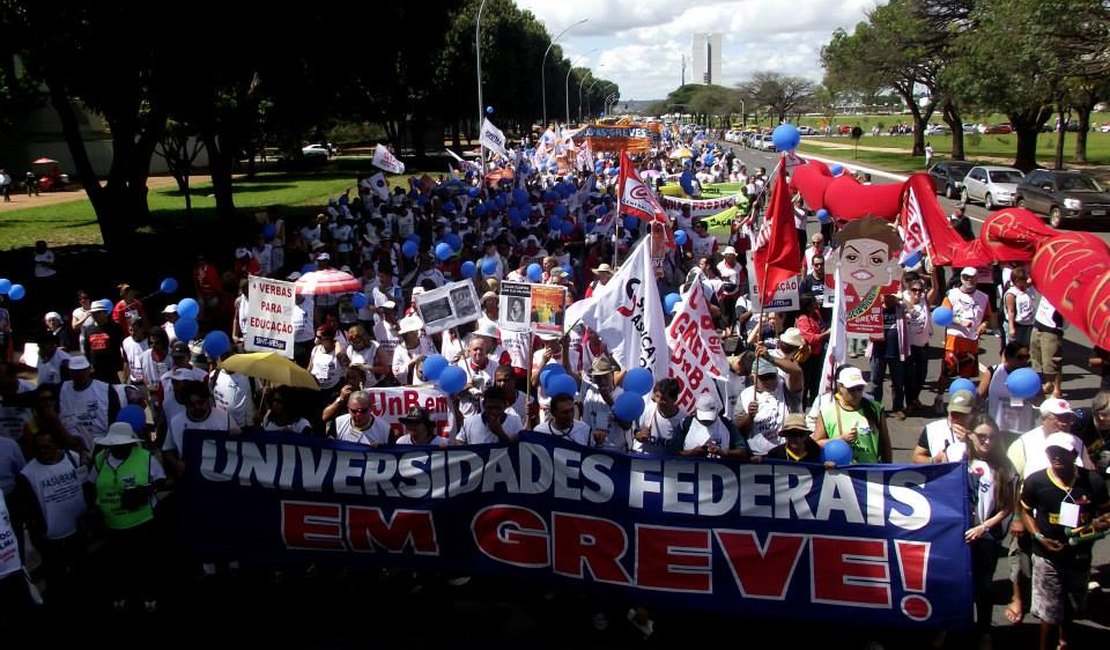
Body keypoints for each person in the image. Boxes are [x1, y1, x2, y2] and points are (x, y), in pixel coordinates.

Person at [1019, 433, 1110, 650]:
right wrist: (1039, 537)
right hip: (1046, 554)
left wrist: (1098, 525)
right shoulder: (1036, 481)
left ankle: (1064, 640)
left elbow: (1107, 513)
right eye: (1051, 452)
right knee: (1049, 610)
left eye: (1062, 452)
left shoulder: (1093, 481)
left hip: (1079, 554)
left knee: (1072, 604)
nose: (1056, 456)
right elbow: (1024, 511)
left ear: (1074, 454)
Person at [84, 422, 166, 612]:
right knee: (118, 562)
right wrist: (92, 508)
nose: (118, 448)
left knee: (144, 561)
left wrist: (144, 490)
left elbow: (161, 479)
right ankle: (120, 594)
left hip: (142, 521)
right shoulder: (100, 459)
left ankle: (148, 594)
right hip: (112, 522)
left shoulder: (145, 457)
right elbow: (90, 484)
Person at [813, 366, 892, 463]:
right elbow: (816, 443)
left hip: (870, 471)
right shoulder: (827, 412)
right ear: (840, 387)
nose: (856, 394)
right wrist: (840, 439)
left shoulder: (875, 409)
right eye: (851, 390)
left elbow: (886, 444)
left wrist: (887, 470)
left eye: (859, 389)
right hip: (839, 472)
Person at [669, 393, 748, 459]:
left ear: (716, 411)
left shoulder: (727, 424)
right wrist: (692, 452)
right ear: (696, 411)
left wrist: (722, 452)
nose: (706, 422)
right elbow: (673, 452)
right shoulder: (685, 424)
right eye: (703, 419)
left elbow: (742, 452)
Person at [911, 389, 976, 464]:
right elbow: (916, 458)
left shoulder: (981, 431)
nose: (956, 418)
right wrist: (934, 460)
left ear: (973, 413)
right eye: (953, 413)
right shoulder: (932, 429)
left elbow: (989, 460)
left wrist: (970, 442)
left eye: (962, 414)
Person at [631, 378, 684, 455]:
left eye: (664, 399)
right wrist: (638, 435)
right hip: (642, 459)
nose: (659, 401)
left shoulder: (683, 420)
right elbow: (631, 431)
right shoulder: (645, 410)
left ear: (674, 399)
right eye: (657, 396)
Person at [455, 386, 523, 445]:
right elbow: (459, 442)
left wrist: (500, 433)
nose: (493, 411)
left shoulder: (515, 422)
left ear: (505, 405)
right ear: (484, 405)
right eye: (490, 407)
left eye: (498, 407)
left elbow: (518, 448)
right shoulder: (469, 423)